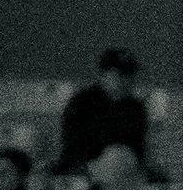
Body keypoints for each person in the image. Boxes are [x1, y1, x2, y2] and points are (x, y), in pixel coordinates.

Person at [56, 46, 150, 180]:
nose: (126, 80)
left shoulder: (136, 108)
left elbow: (138, 148)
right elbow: (72, 145)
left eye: (130, 75)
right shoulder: (82, 102)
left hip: (123, 173)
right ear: (104, 75)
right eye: (121, 74)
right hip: (82, 172)